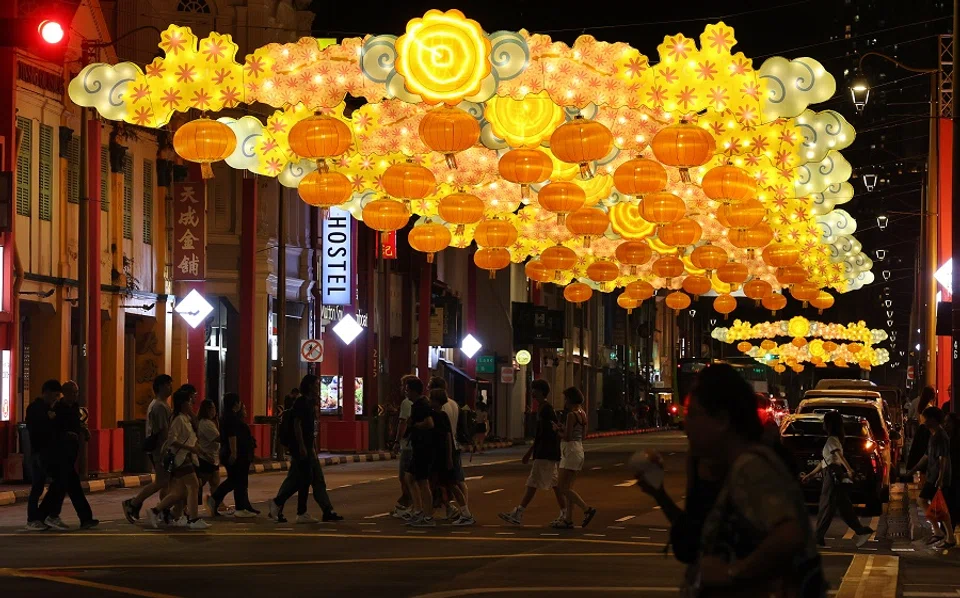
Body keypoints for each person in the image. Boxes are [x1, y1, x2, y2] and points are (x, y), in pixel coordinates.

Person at [683, 364, 824, 595]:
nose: (686, 425)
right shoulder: (731, 466)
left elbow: (790, 534)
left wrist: (732, 572)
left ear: (721, 420)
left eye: (693, 415)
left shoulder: (751, 467)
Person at [268, 375, 343, 524]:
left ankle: (312, 511)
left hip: (308, 448)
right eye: (316, 384)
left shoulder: (309, 402)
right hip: (302, 449)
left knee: (314, 479)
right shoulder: (302, 402)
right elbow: (297, 425)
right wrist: (302, 447)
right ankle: (278, 503)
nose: (317, 387)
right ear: (309, 386)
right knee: (302, 479)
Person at [801, 411, 874, 548]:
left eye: (825, 422)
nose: (823, 424)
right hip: (834, 473)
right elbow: (825, 461)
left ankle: (818, 538)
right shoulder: (834, 439)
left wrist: (849, 470)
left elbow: (837, 455)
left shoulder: (832, 440)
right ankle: (861, 531)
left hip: (832, 475)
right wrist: (809, 475)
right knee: (843, 506)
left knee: (826, 505)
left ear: (829, 425)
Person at [499, 379, 566, 526]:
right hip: (547, 452)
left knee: (533, 482)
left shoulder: (546, 409)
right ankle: (565, 512)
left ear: (541, 391)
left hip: (545, 452)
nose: (532, 392)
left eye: (534, 389)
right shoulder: (544, 408)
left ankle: (519, 512)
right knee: (554, 484)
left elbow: (546, 433)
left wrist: (530, 452)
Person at [145, 389, 209, 530]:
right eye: (189, 400)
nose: (192, 403)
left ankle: (155, 511)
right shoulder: (178, 419)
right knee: (193, 485)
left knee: (180, 493)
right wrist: (190, 448)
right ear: (183, 403)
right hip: (181, 459)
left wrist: (198, 449)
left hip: (187, 457)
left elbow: (192, 435)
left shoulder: (186, 418)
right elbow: (171, 440)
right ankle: (193, 519)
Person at [41, 381, 98, 530]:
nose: (75, 395)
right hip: (61, 453)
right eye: (72, 392)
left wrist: (83, 431)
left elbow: (76, 423)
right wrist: (66, 435)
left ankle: (47, 515)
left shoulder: (74, 407)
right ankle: (49, 515)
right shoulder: (58, 409)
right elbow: (54, 430)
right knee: (63, 486)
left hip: (71, 452)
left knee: (65, 486)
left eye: (76, 392)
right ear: (65, 393)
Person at [123, 374, 174, 523]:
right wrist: (168, 449)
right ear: (160, 387)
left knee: (166, 482)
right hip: (160, 449)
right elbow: (164, 431)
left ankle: (163, 510)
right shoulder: (160, 406)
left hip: (159, 449)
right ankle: (133, 503)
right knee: (162, 482)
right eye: (168, 385)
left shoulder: (159, 404)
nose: (170, 387)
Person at [908, 406, 956, 548]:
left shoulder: (940, 436)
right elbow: (927, 456)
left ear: (934, 420)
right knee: (939, 506)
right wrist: (914, 470)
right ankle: (946, 535)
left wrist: (940, 478)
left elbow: (943, 458)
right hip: (933, 475)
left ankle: (942, 533)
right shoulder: (933, 435)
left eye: (927, 418)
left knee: (925, 501)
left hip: (937, 476)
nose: (924, 420)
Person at [430, 377, 474, 525]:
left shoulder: (440, 413)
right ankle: (457, 509)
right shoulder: (454, 404)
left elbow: (447, 435)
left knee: (449, 483)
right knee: (453, 481)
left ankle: (462, 511)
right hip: (452, 447)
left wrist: (447, 456)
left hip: (445, 451)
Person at [554, 387, 596, 529]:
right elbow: (583, 435)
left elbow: (567, 436)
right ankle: (568, 519)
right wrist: (563, 428)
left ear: (570, 399)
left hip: (570, 450)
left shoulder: (571, 415)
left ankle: (586, 509)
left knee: (561, 487)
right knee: (568, 487)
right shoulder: (582, 413)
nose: (565, 401)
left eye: (566, 398)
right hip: (579, 449)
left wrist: (557, 431)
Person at [24, 380, 64, 531]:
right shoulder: (35, 408)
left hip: (48, 452)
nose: (55, 399)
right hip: (39, 453)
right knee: (39, 487)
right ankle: (34, 518)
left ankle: (45, 515)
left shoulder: (50, 408)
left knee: (54, 483)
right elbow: (37, 430)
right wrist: (50, 418)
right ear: (46, 392)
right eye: (54, 395)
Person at [210, 393, 257, 517]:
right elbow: (232, 437)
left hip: (234, 453)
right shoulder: (231, 418)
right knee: (237, 480)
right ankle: (239, 507)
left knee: (237, 480)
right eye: (240, 402)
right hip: (235, 454)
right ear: (236, 403)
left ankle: (243, 506)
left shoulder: (228, 417)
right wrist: (234, 453)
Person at [405, 378, 436, 526]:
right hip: (419, 447)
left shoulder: (422, 404)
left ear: (413, 390)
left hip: (423, 448)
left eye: (407, 390)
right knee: (410, 478)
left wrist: (415, 424)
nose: (405, 392)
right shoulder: (418, 404)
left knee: (423, 482)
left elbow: (429, 423)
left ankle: (428, 516)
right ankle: (418, 511)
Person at [390, 376, 417, 520]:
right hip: (417, 445)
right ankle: (411, 505)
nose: (402, 389)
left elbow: (402, 424)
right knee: (413, 478)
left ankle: (409, 506)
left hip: (407, 446)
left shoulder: (406, 403)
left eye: (403, 386)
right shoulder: (420, 402)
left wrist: (396, 441)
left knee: (404, 478)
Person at [196, 399, 221, 513]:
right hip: (206, 457)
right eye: (212, 408)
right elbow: (217, 438)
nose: (214, 411)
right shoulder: (205, 423)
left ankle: (214, 505)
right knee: (200, 482)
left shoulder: (210, 422)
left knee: (215, 482)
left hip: (213, 457)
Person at [907, 386, 936, 473]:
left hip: (920, 432)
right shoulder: (929, 407)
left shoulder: (919, 404)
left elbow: (909, 416)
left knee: (919, 456)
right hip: (926, 433)